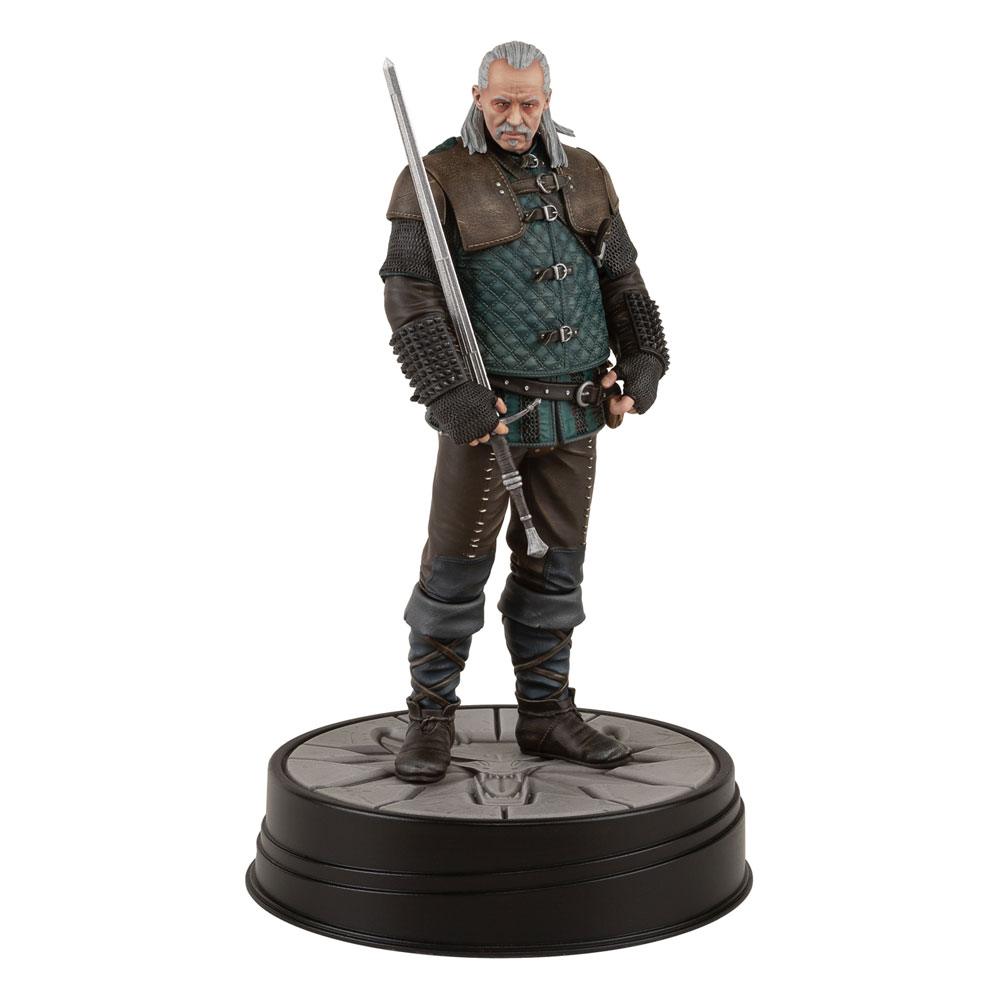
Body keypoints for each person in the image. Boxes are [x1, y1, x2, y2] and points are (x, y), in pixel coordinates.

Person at [380, 41, 669, 783]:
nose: (516, 116)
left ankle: (545, 714)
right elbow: (411, 296)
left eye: (529, 103)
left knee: (557, 571)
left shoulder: (586, 173)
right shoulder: (437, 177)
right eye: (502, 102)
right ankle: (430, 718)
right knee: (454, 572)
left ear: (548, 100)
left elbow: (622, 277)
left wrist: (643, 359)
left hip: (576, 410)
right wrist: (454, 395)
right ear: (478, 97)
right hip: (490, 416)